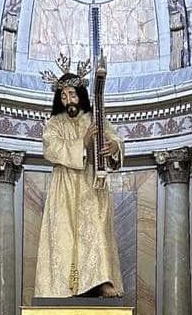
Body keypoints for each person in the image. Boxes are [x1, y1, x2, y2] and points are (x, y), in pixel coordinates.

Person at [33, 56, 124, 298]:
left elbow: (115, 139)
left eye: (72, 95)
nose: (68, 100)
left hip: (91, 185)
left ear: (81, 94)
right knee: (64, 237)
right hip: (64, 187)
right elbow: (51, 148)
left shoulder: (94, 118)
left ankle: (101, 281)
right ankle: (64, 287)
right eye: (63, 96)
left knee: (95, 228)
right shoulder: (53, 123)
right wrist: (82, 143)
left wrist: (113, 149)